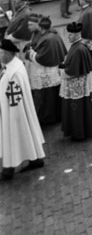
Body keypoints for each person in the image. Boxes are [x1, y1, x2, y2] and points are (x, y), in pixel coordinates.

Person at [0, 38, 46, 181]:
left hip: (14, 113)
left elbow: (14, 98)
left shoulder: (13, 73)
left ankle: (8, 168)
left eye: (1, 53)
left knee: (13, 138)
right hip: (18, 111)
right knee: (27, 135)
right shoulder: (16, 66)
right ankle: (35, 159)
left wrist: (12, 117)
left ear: (8, 54)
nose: (0, 56)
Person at [59, 22, 92, 141]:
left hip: (76, 85)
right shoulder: (79, 45)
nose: (68, 37)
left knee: (77, 109)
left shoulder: (78, 49)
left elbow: (71, 71)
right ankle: (85, 130)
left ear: (77, 34)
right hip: (80, 83)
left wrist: (61, 70)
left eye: (70, 35)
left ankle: (79, 133)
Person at [27, 15, 66, 125]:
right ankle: (56, 116)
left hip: (46, 71)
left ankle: (47, 118)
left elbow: (41, 58)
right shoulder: (52, 34)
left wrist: (30, 53)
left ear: (39, 26)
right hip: (52, 70)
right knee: (52, 95)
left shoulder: (47, 38)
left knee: (46, 97)